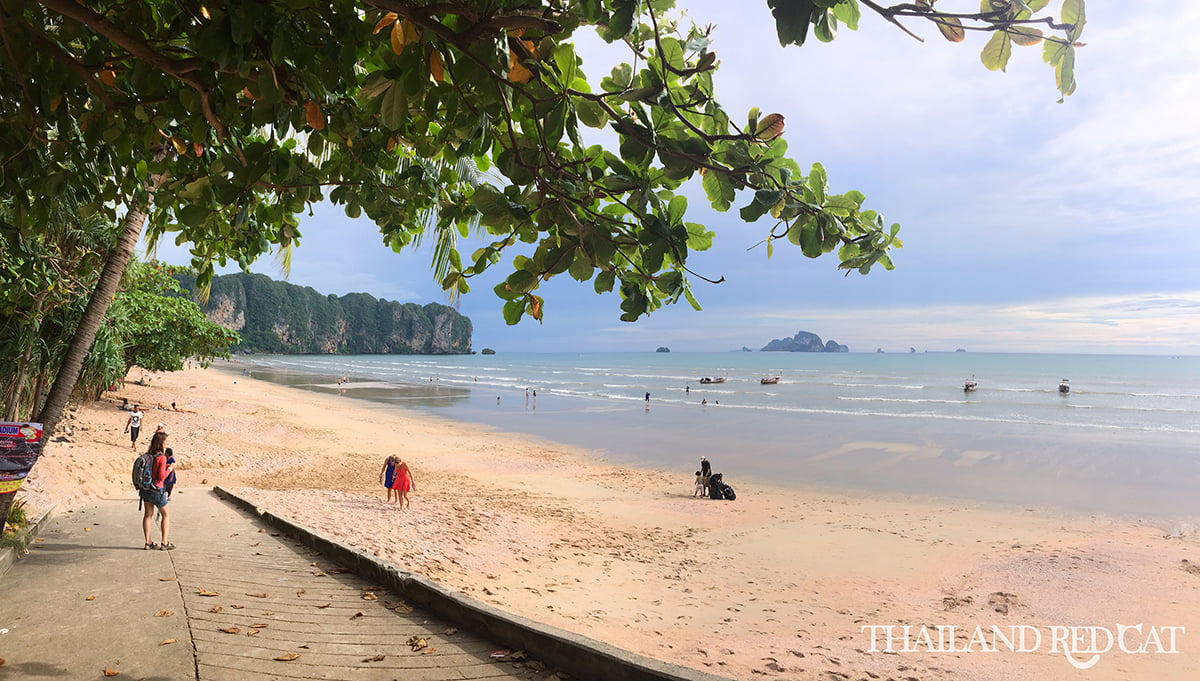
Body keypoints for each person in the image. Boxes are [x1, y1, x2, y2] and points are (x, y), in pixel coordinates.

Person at [140, 431, 174, 550]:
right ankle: (164, 542)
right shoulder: (162, 457)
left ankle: (148, 542)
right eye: (165, 442)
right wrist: (169, 469)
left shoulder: (148, 455)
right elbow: (161, 476)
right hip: (156, 489)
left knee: (148, 515)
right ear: (161, 443)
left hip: (145, 488)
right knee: (166, 514)